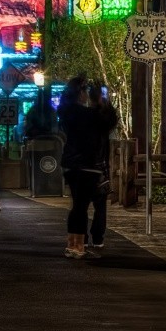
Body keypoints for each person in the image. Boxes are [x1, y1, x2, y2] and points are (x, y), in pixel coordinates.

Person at [58, 76, 117, 259]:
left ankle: (72, 243)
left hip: (70, 164)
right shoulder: (91, 115)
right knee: (81, 207)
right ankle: (78, 246)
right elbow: (109, 121)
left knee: (77, 205)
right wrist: (102, 100)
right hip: (89, 165)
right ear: (81, 94)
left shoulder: (68, 112)